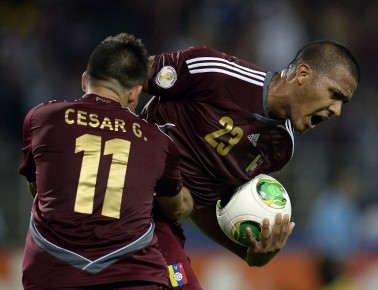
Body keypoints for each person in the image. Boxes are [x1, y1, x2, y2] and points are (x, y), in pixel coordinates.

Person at [141, 40, 360, 289]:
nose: (338, 110)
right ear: (303, 74)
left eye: (344, 102)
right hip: (117, 193)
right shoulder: (217, 73)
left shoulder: (279, 148)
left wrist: (248, 254)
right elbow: (125, 77)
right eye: (335, 94)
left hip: (158, 224)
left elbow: (201, 205)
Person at [18, 33, 194, 290]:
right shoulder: (158, 143)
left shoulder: (41, 119)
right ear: (134, 93)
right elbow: (177, 208)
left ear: (84, 79)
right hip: (134, 276)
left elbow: (37, 188)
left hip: (53, 274)